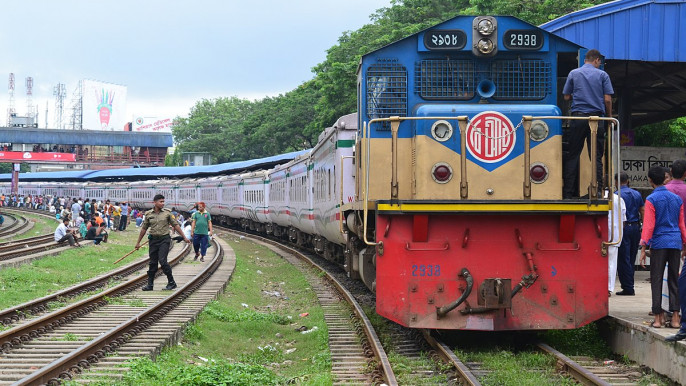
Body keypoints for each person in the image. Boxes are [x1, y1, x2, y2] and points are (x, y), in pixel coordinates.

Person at [562, 49, 614, 199]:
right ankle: (597, 190)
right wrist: (609, 118)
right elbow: (608, 100)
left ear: (586, 59)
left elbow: (566, 97)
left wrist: (577, 94)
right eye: (600, 62)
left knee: (573, 155)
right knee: (596, 156)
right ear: (597, 60)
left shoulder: (574, 73)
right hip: (596, 120)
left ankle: (568, 193)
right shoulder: (603, 75)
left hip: (578, 118)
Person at [639, 166, 686, 328]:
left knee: (657, 280)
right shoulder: (676, 199)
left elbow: (649, 225)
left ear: (650, 181)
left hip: (659, 243)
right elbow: (681, 225)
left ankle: (658, 318)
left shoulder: (651, 199)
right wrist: (684, 243)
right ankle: (675, 318)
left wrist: (644, 246)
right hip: (675, 242)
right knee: (674, 280)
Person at [135, 194, 190, 291]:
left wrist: (184, 237)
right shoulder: (148, 214)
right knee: (152, 263)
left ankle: (171, 282)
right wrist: (138, 242)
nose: (162, 203)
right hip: (153, 240)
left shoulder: (167, 213)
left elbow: (176, 225)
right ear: (155, 202)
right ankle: (150, 285)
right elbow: (144, 228)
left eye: (163, 202)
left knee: (163, 261)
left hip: (164, 240)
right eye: (160, 202)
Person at [615, 172, 644, 296]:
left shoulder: (616, 195)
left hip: (624, 228)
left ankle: (628, 287)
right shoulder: (636, 194)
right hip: (635, 227)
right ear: (627, 181)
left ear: (616, 182)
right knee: (632, 257)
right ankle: (629, 284)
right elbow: (642, 210)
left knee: (623, 258)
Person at [608, 191, 626, 296]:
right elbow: (623, 219)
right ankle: (609, 288)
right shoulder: (619, 199)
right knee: (611, 263)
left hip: (600, 233)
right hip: (614, 235)